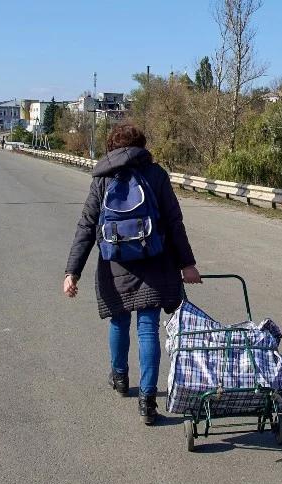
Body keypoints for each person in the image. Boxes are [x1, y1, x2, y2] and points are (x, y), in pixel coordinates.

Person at [63, 123, 202, 425]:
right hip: (155, 260)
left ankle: (120, 378)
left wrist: (72, 271)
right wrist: (187, 264)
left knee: (119, 320)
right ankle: (148, 401)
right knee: (148, 327)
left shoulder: (102, 178)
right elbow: (174, 223)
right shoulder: (156, 175)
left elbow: (86, 226)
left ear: (111, 147)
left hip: (116, 265)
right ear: (141, 145)